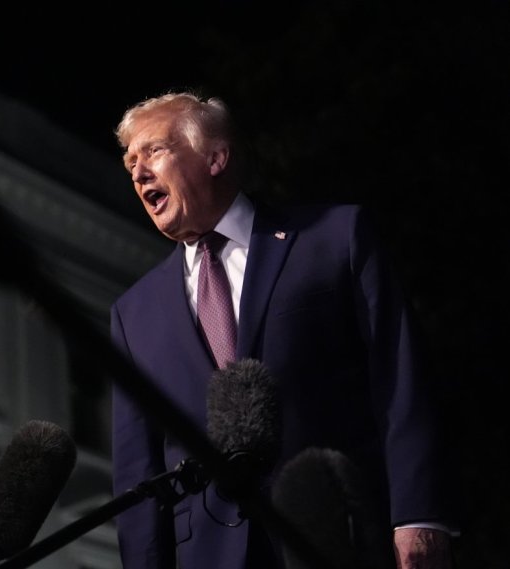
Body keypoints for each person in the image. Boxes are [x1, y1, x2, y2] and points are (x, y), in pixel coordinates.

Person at [107, 91, 455, 569]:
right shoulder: (133, 313)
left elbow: (400, 379)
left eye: (155, 151)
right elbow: (137, 467)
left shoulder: (334, 239)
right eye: (130, 164)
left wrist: (420, 516)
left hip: (338, 533)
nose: (138, 172)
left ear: (216, 157)